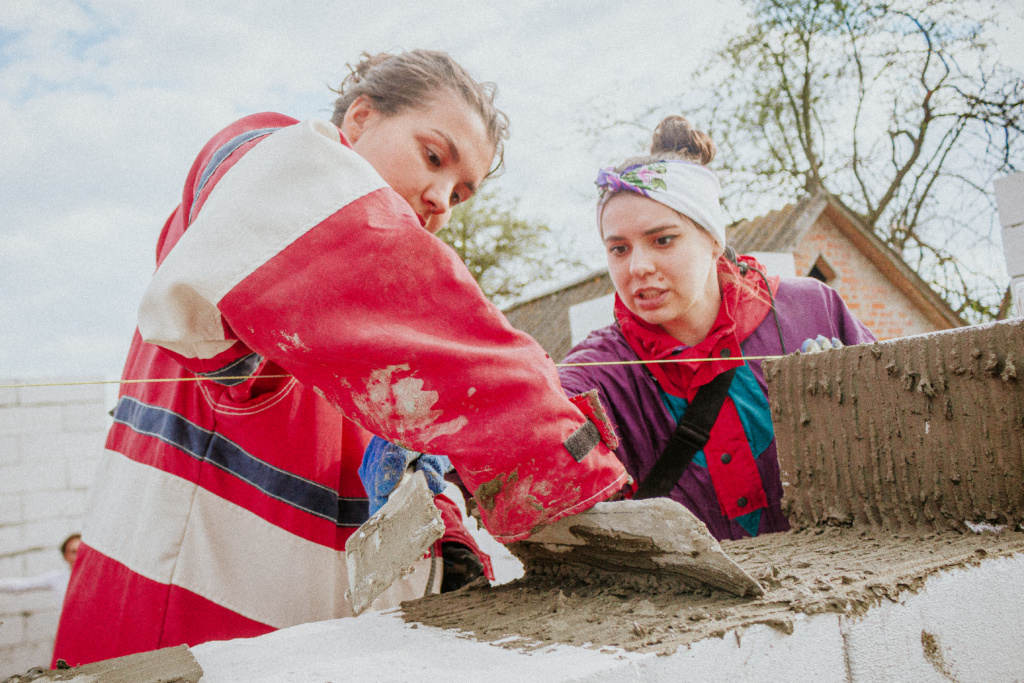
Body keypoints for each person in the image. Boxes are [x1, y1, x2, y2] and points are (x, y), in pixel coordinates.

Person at [53, 50, 627, 667]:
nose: (441, 199)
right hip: (170, 646)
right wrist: (567, 458)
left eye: (462, 193)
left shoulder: (363, 336)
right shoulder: (257, 168)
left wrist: (449, 545)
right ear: (358, 119)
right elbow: (355, 247)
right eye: (433, 156)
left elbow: (372, 483)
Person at [558, 116, 876, 541]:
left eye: (663, 240)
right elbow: (532, 420)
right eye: (618, 248)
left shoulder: (812, 310)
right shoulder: (599, 371)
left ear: (711, 238)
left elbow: (904, 424)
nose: (638, 267)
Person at [0, 534, 81, 604]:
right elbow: (23, 584)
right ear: (65, 556)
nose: (78, 555)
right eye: (73, 552)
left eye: (81, 551)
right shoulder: (58, 577)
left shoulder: (93, 576)